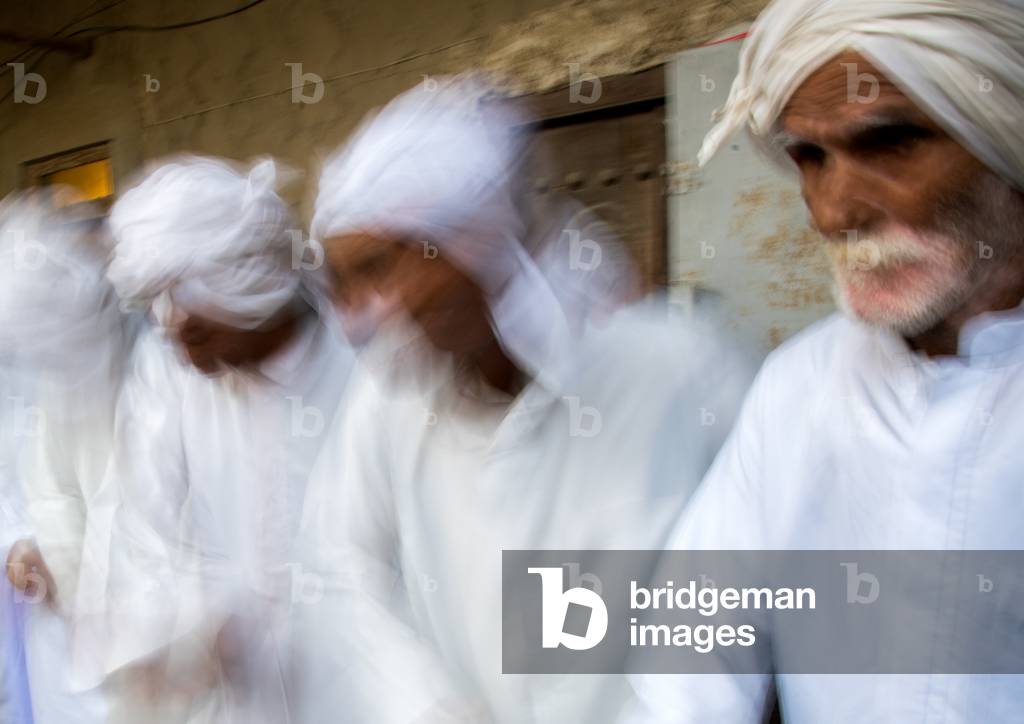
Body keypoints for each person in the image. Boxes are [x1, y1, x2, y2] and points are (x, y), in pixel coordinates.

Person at [294, 75, 754, 724]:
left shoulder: (682, 371)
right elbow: (343, 568)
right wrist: (429, 707)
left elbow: (753, 608)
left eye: (382, 267)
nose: (360, 316)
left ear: (477, 244)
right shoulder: (386, 404)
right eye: (342, 280)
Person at [626, 0, 1024, 721]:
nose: (836, 210)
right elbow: (693, 647)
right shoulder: (799, 386)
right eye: (810, 157)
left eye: (892, 142)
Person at [95, 155, 354, 723]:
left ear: (255, 287)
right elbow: (143, 524)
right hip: (235, 698)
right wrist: (178, 626)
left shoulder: (364, 365)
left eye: (199, 330)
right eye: (161, 317)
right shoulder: (167, 371)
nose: (178, 340)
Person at [0, 190, 128, 724]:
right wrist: (27, 542)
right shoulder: (50, 369)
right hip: (59, 619)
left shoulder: (157, 368)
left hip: (143, 631)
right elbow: (41, 482)